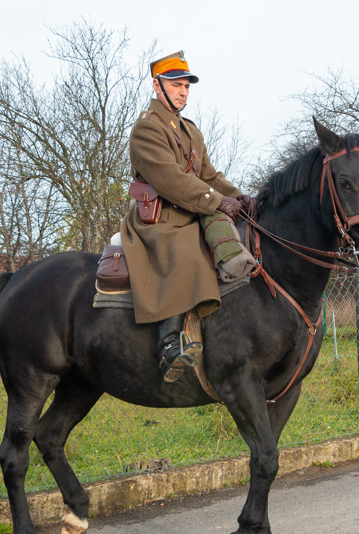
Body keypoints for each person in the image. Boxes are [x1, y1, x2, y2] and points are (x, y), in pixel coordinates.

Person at [119, 50, 255, 383]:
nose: (182, 92)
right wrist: (218, 202)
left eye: (186, 86)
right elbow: (172, 181)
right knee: (189, 251)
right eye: (175, 85)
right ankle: (170, 344)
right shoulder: (146, 130)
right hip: (162, 219)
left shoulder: (190, 131)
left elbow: (208, 175)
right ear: (157, 86)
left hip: (191, 209)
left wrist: (240, 197)